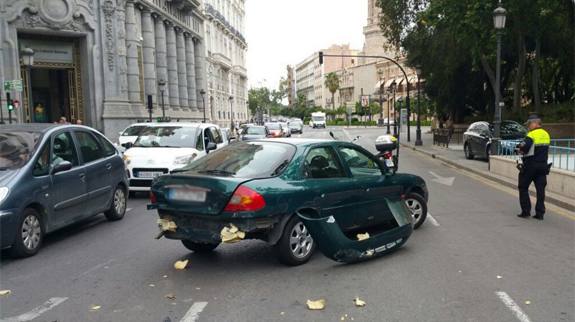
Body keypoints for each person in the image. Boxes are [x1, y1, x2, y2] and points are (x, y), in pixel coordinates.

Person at [515, 114, 551, 220]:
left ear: (535, 123)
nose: (528, 126)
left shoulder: (531, 135)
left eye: (529, 124)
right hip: (543, 165)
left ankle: (526, 211)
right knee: (540, 190)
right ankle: (540, 213)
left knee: (523, 186)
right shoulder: (546, 134)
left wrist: (519, 148)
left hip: (531, 165)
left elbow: (524, 148)